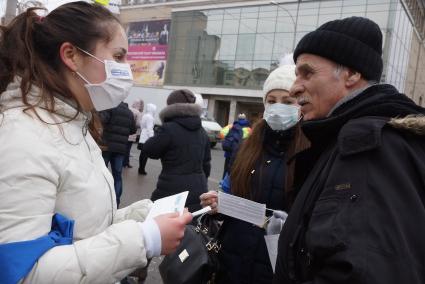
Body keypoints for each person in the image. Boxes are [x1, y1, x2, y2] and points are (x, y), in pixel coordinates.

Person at [0, 2, 192, 283]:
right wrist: (144, 239)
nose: (128, 69)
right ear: (71, 55)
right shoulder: (22, 136)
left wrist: (144, 216)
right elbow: (21, 273)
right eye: (118, 56)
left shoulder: (72, 124)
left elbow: (83, 228)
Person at [274, 16, 425, 284]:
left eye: (307, 73)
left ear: (352, 74)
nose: (295, 87)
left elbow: (367, 271)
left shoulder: (370, 145)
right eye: (296, 74)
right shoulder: (344, 137)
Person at [200, 65, 310, 284]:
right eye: (271, 101)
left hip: (277, 267)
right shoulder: (247, 146)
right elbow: (231, 190)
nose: (278, 107)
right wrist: (217, 205)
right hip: (232, 260)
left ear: (300, 105)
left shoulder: (311, 150)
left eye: (287, 102)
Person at [143, 89, 211, 212]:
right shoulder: (202, 132)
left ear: (171, 108)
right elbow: (206, 164)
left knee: (159, 223)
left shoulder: (169, 129)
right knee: (189, 226)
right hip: (198, 189)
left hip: (171, 191)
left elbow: (149, 150)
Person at [100, 102, 136, 207]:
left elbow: (103, 120)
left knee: (102, 172)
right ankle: (116, 201)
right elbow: (133, 130)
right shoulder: (129, 113)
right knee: (117, 175)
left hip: (106, 146)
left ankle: (102, 198)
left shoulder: (110, 107)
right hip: (120, 149)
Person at [221, 113, 251, 178]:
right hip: (240, 154)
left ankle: (224, 182)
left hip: (229, 153)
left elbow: (222, 133)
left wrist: (227, 138)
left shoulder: (231, 126)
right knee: (237, 170)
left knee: (227, 168)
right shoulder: (249, 129)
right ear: (245, 119)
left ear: (238, 118)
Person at [138, 103, 157, 175]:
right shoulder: (150, 117)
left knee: (142, 154)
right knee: (145, 154)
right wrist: (152, 138)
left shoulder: (145, 115)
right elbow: (150, 128)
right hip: (147, 137)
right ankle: (142, 169)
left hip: (143, 135)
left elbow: (142, 125)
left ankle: (140, 168)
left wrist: (144, 131)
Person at [125, 99, 144, 168]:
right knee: (128, 148)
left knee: (124, 146)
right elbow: (138, 124)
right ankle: (126, 162)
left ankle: (123, 161)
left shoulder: (128, 109)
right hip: (132, 132)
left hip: (125, 131)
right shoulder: (138, 112)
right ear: (139, 105)